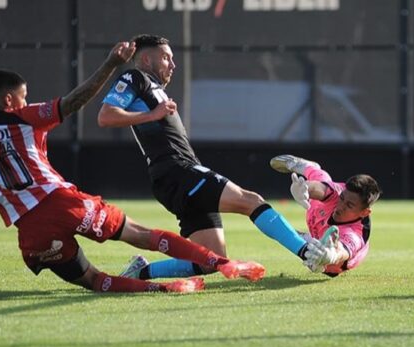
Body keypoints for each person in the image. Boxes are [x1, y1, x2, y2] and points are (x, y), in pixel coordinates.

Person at [0, 42, 265, 293]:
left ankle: (165, 287)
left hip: (29, 232)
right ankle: (224, 264)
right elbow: (73, 101)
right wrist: (111, 64)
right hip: (60, 203)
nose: (27, 102)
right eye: (24, 97)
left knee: (95, 281)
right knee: (141, 234)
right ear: (10, 100)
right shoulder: (22, 117)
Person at [97, 34, 331, 280]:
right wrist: (153, 115)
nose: (173, 65)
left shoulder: (155, 90)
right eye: (166, 58)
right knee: (250, 200)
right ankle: (307, 252)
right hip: (178, 172)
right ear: (145, 59)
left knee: (210, 261)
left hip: (175, 178)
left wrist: (155, 113)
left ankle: (141, 272)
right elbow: (106, 116)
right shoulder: (135, 77)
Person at [269, 154, 381, 276]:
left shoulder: (355, 234)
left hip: (335, 262)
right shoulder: (337, 192)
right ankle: (308, 167)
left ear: (365, 212)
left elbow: (342, 252)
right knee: (321, 184)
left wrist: (331, 255)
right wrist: (305, 189)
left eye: (349, 205)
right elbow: (319, 188)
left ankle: (310, 241)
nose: (340, 206)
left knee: (324, 263)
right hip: (319, 213)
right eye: (342, 198)